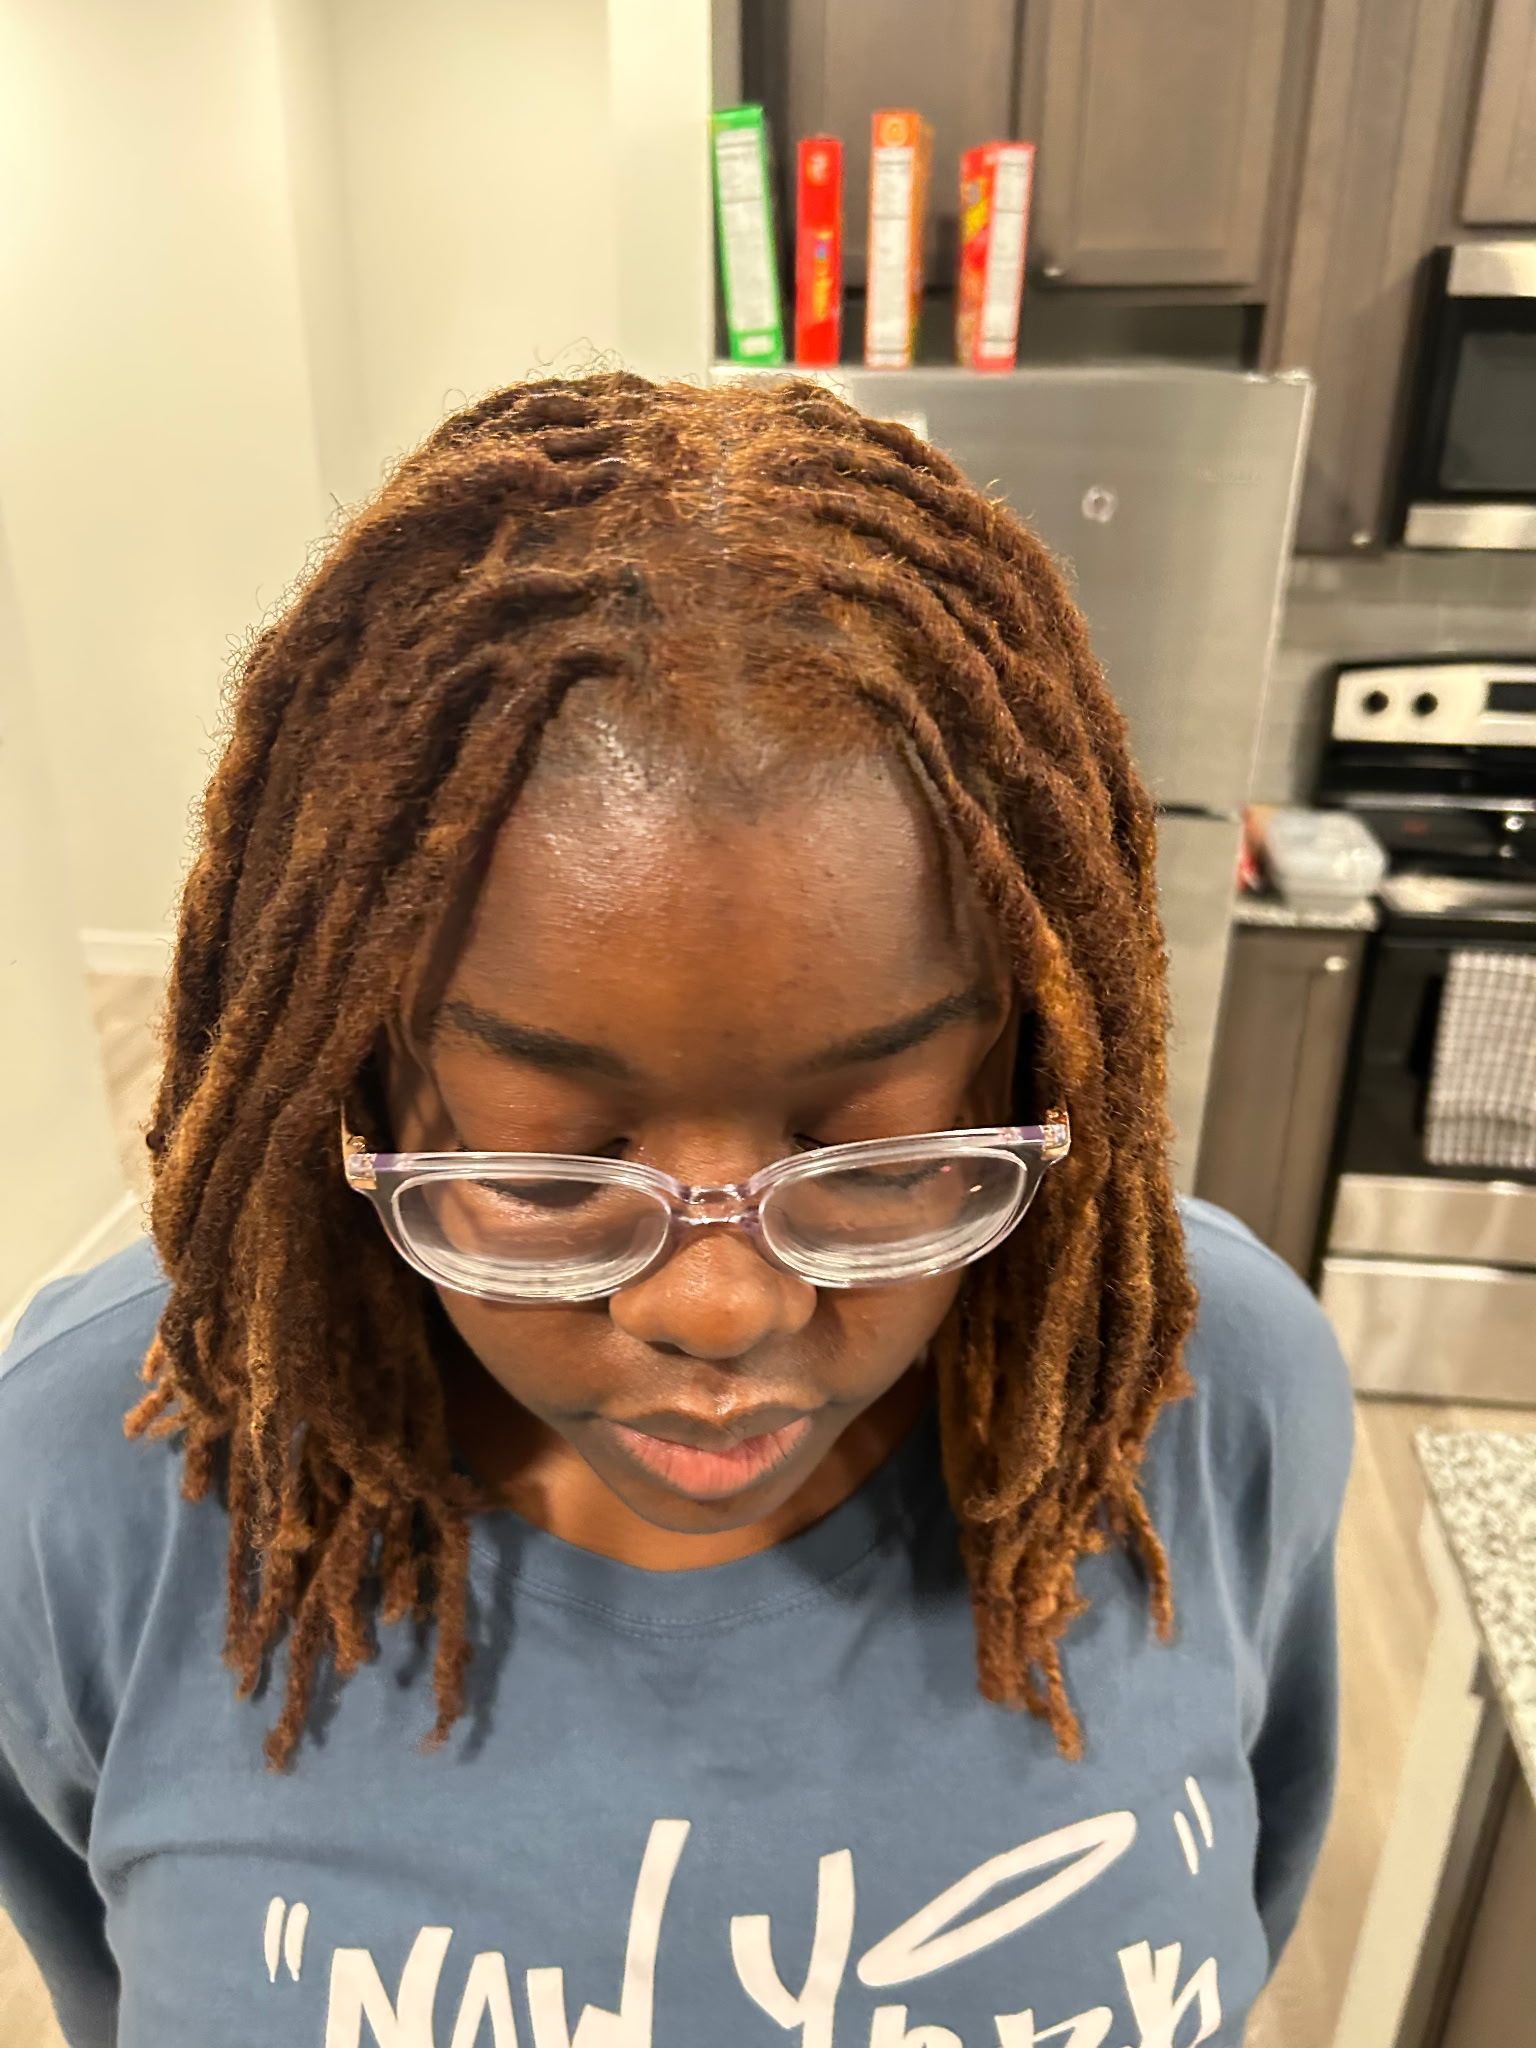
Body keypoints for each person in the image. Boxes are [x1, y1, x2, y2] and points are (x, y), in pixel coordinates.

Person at [0, 373, 1351, 2048]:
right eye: (548, 1173)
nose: (720, 1309)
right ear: (353, 1093)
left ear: (1019, 1073)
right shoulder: (87, 1474)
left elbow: (1259, 1884)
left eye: (869, 1159)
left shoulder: (1212, 1399)